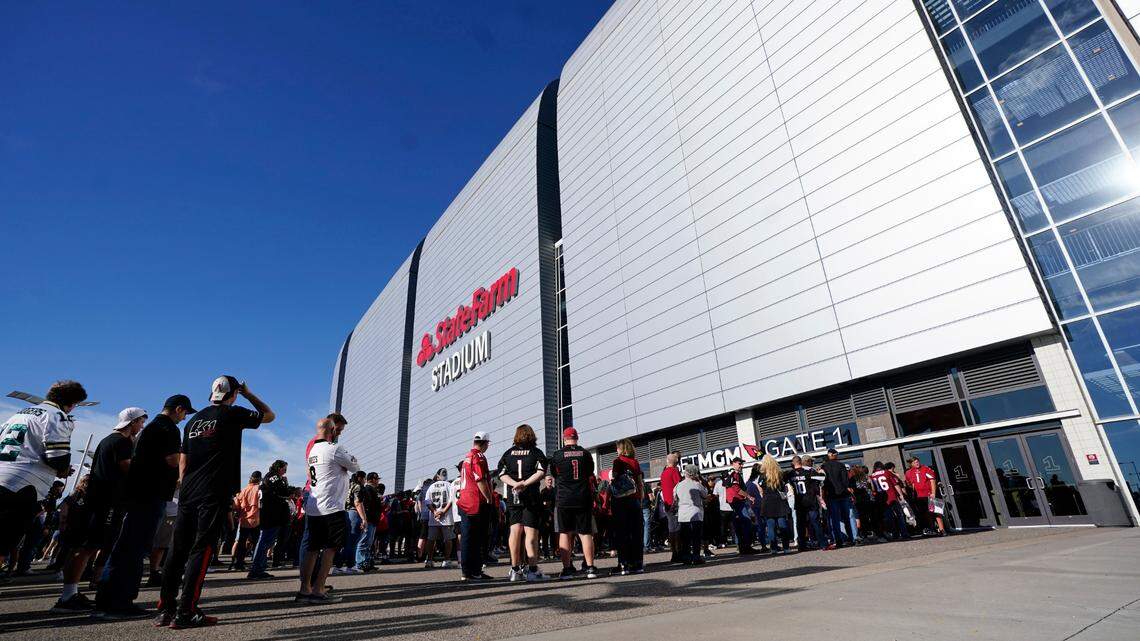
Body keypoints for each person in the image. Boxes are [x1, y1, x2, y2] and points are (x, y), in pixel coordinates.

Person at [157, 375, 275, 629]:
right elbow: (268, 415)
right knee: (202, 549)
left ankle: (166, 608)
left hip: (188, 492)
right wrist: (248, 394)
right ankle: (186, 611)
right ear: (233, 394)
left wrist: (184, 485)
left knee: (178, 549)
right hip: (213, 492)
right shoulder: (232, 414)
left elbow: (183, 460)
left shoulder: (193, 422)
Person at [97, 395, 195, 618]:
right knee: (135, 547)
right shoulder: (168, 427)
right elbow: (172, 460)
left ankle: (107, 597)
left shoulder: (148, 429)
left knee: (126, 545)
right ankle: (120, 601)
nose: (183, 418)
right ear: (178, 409)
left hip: (139, 493)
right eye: (184, 413)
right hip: (151, 494)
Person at [54, 406, 146, 614]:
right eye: (140, 422)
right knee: (87, 547)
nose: (141, 426)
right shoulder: (122, 442)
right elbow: (128, 468)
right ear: (132, 422)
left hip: (97, 499)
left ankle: (70, 593)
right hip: (106, 501)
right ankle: (69, 596)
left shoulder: (107, 440)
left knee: (85, 546)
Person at [0, 381, 85, 584]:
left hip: (4, 471)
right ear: (72, 402)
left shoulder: (19, 413)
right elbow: (56, 456)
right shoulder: (57, 416)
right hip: (23, 482)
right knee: (5, 538)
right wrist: (63, 470)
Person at [297, 416, 359, 604]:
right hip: (331, 506)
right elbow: (355, 466)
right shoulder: (335, 449)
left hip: (314, 506)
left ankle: (305, 589)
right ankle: (318, 589)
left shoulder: (313, 449)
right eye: (338, 430)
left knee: (312, 549)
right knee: (331, 548)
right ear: (332, 429)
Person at [497, 424, 549, 582]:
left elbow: (501, 474)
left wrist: (514, 484)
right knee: (531, 533)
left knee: (515, 532)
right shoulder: (536, 452)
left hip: (514, 497)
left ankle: (515, 569)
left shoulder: (508, 453)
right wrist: (525, 483)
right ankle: (532, 570)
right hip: (531, 496)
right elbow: (541, 472)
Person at [457, 431, 494, 582]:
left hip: (465, 501)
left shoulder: (467, 456)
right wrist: (489, 498)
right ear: (485, 443)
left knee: (467, 538)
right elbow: (480, 480)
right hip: (475, 502)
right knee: (478, 538)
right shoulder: (478, 456)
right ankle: (476, 570)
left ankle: (466, 571)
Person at [248, 460, 290, 579]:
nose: (285, 471)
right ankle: (257, 570)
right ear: (279, 468)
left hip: (268, 514)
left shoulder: (268, 478)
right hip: (272, 515)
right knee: (265, 542)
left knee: (264, 542)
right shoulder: (273, 477)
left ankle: (258, 568)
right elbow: (283, 491)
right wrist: (287, 486)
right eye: (284, 468)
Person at [610, 438, 645, 575]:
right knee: (636, 532)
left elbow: (615, 478)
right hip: (635, 500)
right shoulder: (635, 462)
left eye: (617, 448)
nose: (616, 450)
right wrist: (640, 499)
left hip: (621, 501)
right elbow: (640, 483)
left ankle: (623, 564)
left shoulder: (617, 461)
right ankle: (638, 564)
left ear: (621, 449)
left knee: (622, 533)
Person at [788, 455, 829, 551]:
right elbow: (822, 478)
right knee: (816, 523)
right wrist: (820, 472)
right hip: (810, 501)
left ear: (793, 463)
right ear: (801, 462)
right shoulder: (809, 472)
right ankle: (823, 544)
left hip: (799, 502)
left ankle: (802, 546)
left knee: (800, 524)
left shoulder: (790, 474)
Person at [821, 449, 859, 547]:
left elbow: (823, 483)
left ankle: (838, 541)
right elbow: (845, 482)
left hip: (831, 495)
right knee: (847, 518)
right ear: (834, 455)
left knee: (835, 519)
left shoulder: (824, 467)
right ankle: (852, 538)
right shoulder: (841, 465)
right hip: (843, 494)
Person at [758, 455, 793, 555]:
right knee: (783, 525)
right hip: (780, 502)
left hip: (768, 502)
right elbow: (784, 486)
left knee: (770, 526)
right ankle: (786, 547)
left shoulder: (762, 476)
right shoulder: (780, 474)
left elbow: (761, 489)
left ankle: (773, 548)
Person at [423, 468, 456, 569]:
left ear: (437, 476)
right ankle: (446, 560)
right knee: (448, 539)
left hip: (434, 517)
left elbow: (427, 501)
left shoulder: (431, 486)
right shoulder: (449, 485)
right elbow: (451, 500)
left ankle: (429, 560)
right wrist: (444, 511)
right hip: (446, 517)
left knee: (431, 539)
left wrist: (434, 511)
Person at [335, 471, 366, 574]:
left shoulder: (347, 485)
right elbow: (358, 503)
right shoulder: (358, 487)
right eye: (364, 478)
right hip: (354, 513)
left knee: (347, 541)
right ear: (360, 478)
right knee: (352, 542)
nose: (365, 481)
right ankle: (348, 565)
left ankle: (342, 565)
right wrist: (363, 518)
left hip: (345, 512)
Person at [905, 457, 946, 536]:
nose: (917, 463)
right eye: (914, 462)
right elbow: (910, 484)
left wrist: (933, 493)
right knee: (926, 513)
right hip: (919, 496)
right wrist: (913, 494)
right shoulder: (909, 473)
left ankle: (942, 529)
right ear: (911, 464)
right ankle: (932, 529)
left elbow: (932, 480)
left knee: (936, 512)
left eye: (917, 461)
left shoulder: (926, 469)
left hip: (929, 494)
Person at [230, 471, 262, 571]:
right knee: (257, 543)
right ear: (260, 479)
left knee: (241, 542)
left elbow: (236, 506)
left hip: (244, 520)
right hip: (256, 519)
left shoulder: (243, 490)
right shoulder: (259, 490)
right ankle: (256, 564)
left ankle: (238, 563)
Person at [724, 456, 756, 555]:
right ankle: (746, 547)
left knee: (738, 525)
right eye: (739, 463)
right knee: (746, 523)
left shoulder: (730, 474)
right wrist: (749, 497)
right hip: (737, 502)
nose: (741, 465)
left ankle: (742, 547)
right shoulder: (735, 474)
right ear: (733, 464)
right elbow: (737, 489)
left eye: (742, 463)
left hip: (733, 503)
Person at [869, 462, 908, 540]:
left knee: (889, 517)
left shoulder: (872, 476)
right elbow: (896, 484)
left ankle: (895, 534)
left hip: (881, 499)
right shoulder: (887, 472)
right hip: (892, 496)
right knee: (899, 515)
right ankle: (904, 534)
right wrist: (901, 495)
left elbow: (873, 489)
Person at [659, 452, 682, 562]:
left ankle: (674, 552)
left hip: (667, 505)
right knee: (677, 529)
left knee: (671, 529)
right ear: (676, 463)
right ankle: (678, 552)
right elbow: (679, 486)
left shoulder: (663, 473)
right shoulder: (674, 471)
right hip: (675, 504)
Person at [356, 472, 382, 571]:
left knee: (368, 543)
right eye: (377, 479)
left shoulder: (371, 489)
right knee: (364, 542)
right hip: (369, 519)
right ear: (372, 479)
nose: (378, 481)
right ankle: (361, 563)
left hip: (373, 519)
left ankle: (367, 562)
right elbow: (365, 504)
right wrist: (365, 519)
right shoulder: (367, 489)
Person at [745, 463, 767, 552]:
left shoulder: (752, 482)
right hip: (756, 507)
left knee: (762, 526)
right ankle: (763, 545)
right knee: (760, 526)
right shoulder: (751, 483)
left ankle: (765, 545)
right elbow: (750, 498)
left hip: (760, 506)